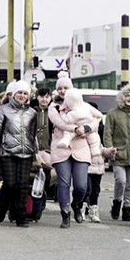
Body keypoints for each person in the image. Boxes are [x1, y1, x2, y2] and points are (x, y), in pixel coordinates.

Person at [0, 80, 37, 228]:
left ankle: (20, 216)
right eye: (19, 92)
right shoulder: (4, 110)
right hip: (7, 152)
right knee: (9, 184)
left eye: (25, 93)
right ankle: (3, 205)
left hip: (26, 153)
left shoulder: (32, 113)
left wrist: (36, 156)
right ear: (13, 94)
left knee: (22, 185)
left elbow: (33, 136)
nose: (22, 95)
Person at [48, 76, 91, 228]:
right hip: (61, 148)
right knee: (64, 182)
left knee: (81, 185)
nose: (62, 91)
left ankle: (77, 204)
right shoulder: (53, 107)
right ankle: (65, 214)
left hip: (81, 148)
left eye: (65, 88)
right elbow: (60, 122)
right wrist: (76, 129)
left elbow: (95, 121)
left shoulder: (82, 105)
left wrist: (86, 128)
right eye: (60, 88)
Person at [104, 84, 130, 222]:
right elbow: (107, 133)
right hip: (118, 153)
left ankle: (127, 208)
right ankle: (116, 203)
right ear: (122, 97)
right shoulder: (112, 114)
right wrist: (109, 149)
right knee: (120, 180)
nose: (129, 98)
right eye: (127, 95)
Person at [31, 87, 55, 201]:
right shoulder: (32, 111)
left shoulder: (54, 111)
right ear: (37, 97)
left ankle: (48, 193)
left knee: (50, 173)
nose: (44, 100)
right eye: (42, 97)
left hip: (49, 149)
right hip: (34, 149)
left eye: (47, 97)